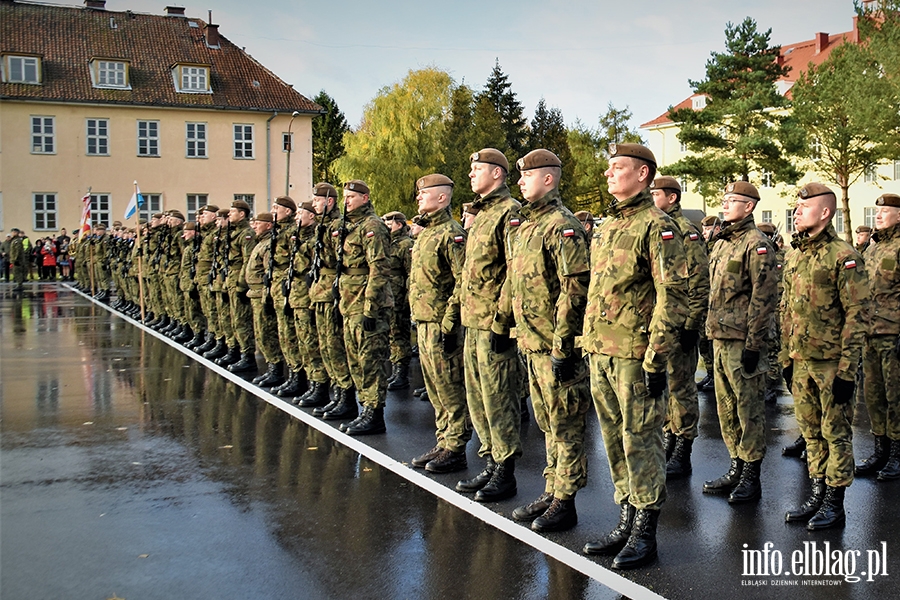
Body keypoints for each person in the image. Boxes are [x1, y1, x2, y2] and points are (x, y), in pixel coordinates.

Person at [580, 143, 688, 569]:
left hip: (635, 354)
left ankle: (645, 531)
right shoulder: (607, 226)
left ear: (643, 174)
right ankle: (626, 519)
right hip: (602, 350)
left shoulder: (658, 225)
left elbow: (672, 296)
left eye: (618, 167)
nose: (609, 174)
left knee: (641, 441)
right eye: (608, 168)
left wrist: (657, 358)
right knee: (613, 440)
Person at [500, 150, 591, 533]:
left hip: (554, 345)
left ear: (549, 179)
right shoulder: (525, 227)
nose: (520, 182)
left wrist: (563, 345)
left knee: (565, 423)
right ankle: (553, 488)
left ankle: (565, 500)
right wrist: (501, 324)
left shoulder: (562, 225)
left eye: (528, 176)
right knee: (547, 424)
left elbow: (574, 289)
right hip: (531, 342)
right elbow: (515, 281)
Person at [781, 182, 870, 530]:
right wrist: (786, 360)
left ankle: (835, 502)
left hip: (832, 363)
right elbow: (787, 308)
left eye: (805, 207)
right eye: (798, 207)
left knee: (836, 433)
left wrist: (848, 371)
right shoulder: (796, 254)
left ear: (825, 212)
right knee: (811, 432)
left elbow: (857, 315)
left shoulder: (844, 256)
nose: (798, 211)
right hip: (801, 360)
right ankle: (817, 492)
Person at [702, 181, 777, 504]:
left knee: (749, 411)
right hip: (719, 338)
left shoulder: (756, 244)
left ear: (749, 206)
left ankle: (751, 475)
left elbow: (763, 298)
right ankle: (736, 465)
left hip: (742, 341)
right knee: (726, 409)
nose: (725, 204)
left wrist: (754, 344)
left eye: (732, 200)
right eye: (724, 198)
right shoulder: (720, 244)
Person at [456, 148, 523, 503]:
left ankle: (506, 470)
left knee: (499, 397)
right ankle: (492, 460)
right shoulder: (482, 213)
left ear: (497, 174)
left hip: (493, 324)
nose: (471, 174)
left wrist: (501, 321)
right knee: (478, 397)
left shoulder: (509, 213)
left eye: (477, 168)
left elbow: (513, 273)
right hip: (473, 319)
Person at [408, 174, 471, 474]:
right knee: (434, 388)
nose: (419, 198)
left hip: (441, 324)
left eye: (425, 193)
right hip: (423, 320)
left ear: (442, 198)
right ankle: (444, 439)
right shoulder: (425, 234)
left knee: (449, 387)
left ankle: (456, 446)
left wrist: (449, 323)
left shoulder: (452, 234)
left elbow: (462, 282)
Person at [650, 176, 709, 478]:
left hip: (681, 322)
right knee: (665, 389)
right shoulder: (655, 227)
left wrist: (691, 325)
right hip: (660, 322)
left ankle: (682, 449)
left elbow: (698, 283)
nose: (651, 197)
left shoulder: (686, 232)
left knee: (682, 388)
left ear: (672, 198)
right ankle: (669, 440)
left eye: (656, 193)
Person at [333, 180, 394, 436]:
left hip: (368, 304)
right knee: (356, 359)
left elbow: (379, 269)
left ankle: (374, 412)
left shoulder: (373, 227)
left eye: (351, 197)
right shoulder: (350, 226)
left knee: (371, 360)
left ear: (365, 198)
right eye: (344, 197)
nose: (346, 201)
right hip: (350, 302)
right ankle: (364, 407)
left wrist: (370, 307)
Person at [856, 193, 900, 481]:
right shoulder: (872, 249)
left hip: (893, 334)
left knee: (896, 396)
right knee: (873, 396)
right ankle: (880, 450)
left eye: (885, 211)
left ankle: (897, 454)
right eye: (877, 210)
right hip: (870, 334)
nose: (879, 215)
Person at [308, 183, 357, 421]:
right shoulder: (324, 225)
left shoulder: (336, 226)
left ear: (328, 202)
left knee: (335, 346)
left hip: (333, 292)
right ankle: (336, 393)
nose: (314, 204)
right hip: (322, 290)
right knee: (326, 345)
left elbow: (335, 260)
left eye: (317, 200)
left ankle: (345, 396)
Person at [382, 211, 414, 391]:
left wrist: (408, 298)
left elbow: (410, 273)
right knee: (392, 334)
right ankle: (395, 369)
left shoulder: (406, 244)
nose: (387, 227)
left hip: (399, 296)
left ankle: (402, 372)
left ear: (399, 224)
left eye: (390, 224)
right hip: (388, 295)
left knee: (400, 334)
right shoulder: (387, 243)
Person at [696, 214, 722, 392]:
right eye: (703, 229)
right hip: (703, 301)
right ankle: (711, 373)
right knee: (704, 343)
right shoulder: (703, 248)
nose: (704, 232)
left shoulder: (720, 247)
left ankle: (717, 376)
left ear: (717, 229)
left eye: (707, 229)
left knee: (713, 343)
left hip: (715, 304)